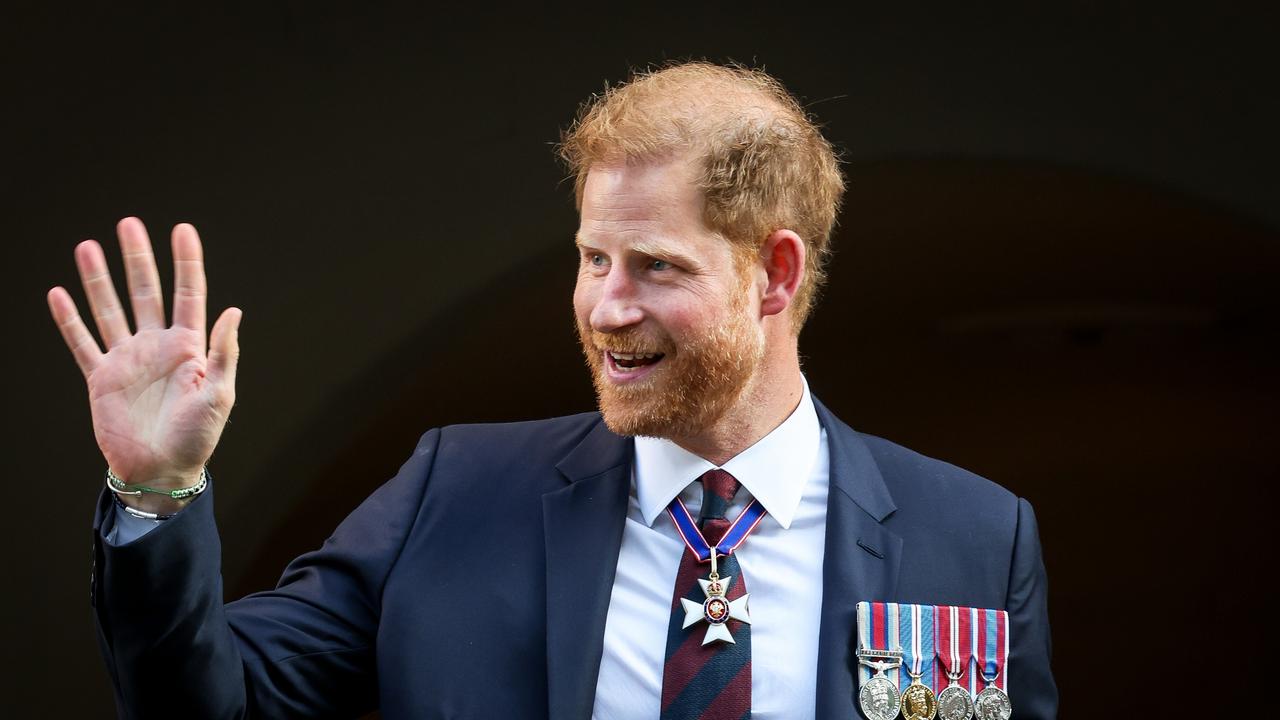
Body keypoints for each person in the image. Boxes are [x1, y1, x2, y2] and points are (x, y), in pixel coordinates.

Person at [48, 62, 1057, 719]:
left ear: (774, 275)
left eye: (654, 267)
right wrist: (157, 493)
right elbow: (210, 702)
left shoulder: (970, 537)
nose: (605, 308)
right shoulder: (454, 490)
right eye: (590, 259)